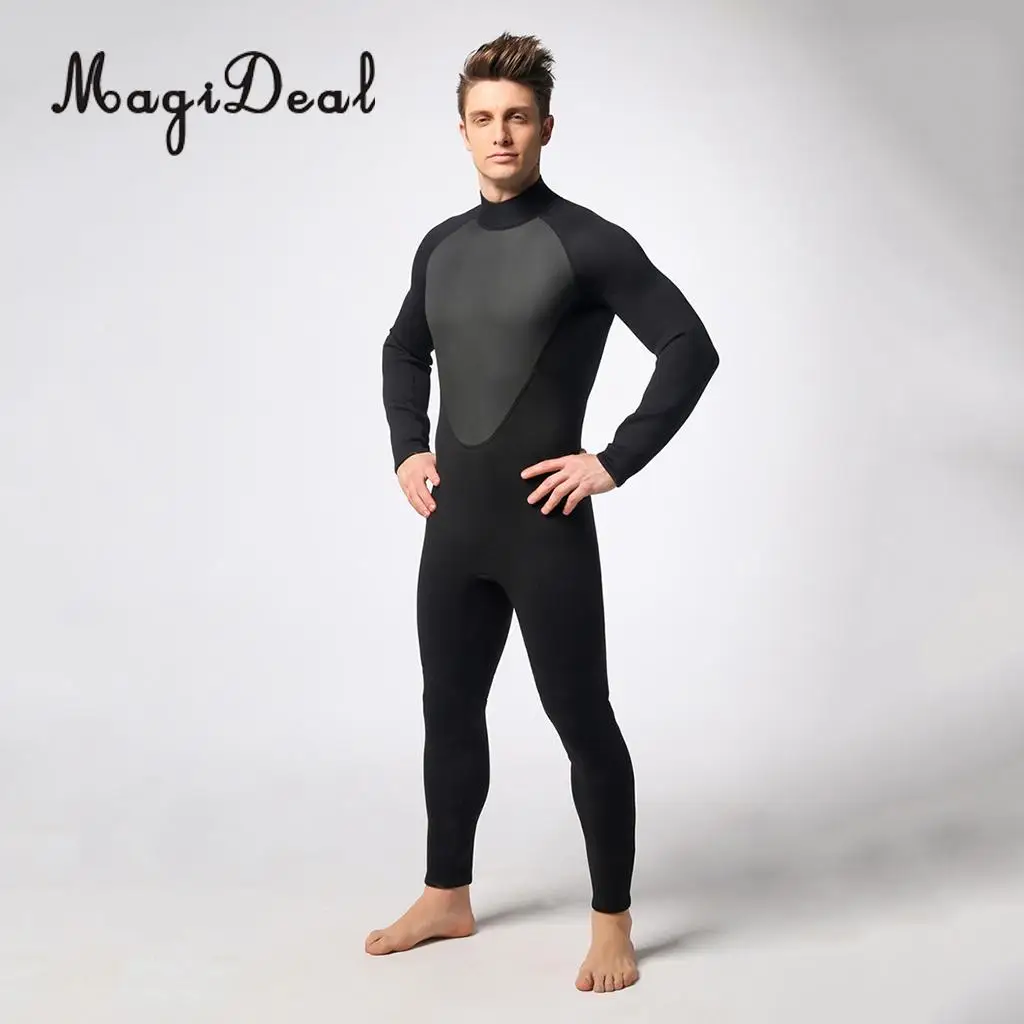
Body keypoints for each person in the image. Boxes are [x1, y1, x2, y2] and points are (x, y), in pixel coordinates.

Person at [368, 31, 719, 993]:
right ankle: (447, 894)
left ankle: (612, 922)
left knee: (581, 719)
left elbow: (689, 348)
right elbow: (402, 348)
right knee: (448, 711)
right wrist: (408, 446)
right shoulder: (440, 246)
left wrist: (614, 461)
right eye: (483, 119)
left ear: (546, 127)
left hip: (543, 532)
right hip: (455, 532)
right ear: (462, 132)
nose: (501, 135)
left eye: (517, 118)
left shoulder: (588, 242)